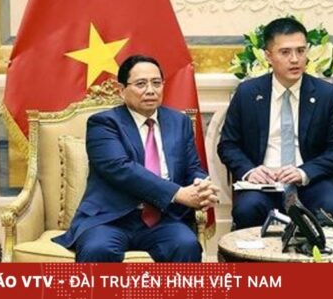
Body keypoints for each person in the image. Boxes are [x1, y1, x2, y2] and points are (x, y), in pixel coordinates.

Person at [53, 55, 219, 262]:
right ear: (122, 90)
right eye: (141, 84)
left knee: (186, 244)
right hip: (109, 219)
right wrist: (178, 193)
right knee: (97, 249)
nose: (150, 90)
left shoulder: (179, 122)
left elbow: (192, 167)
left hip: (163, 219)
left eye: (156, 83)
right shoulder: (104, 123)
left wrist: (201, 186)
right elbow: (121, 168)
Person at [218, 17, 333, 229]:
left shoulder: (327, 95)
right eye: (285, 52)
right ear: (268, 56)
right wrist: (250, 171)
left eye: (300, 51)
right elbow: (228, 145)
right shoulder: (247, 93)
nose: (295, 59)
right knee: (247, 209)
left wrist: (304, 172)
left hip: (312, 182)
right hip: (264, 185)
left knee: (332, 205)